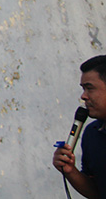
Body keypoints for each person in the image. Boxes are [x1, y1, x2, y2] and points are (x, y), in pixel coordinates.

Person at [53, 55, 106, 198]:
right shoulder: (92, 133)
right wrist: (70, 171)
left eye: (90, 88)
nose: (84, 96)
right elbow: (97, 192)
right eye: (83, 89)